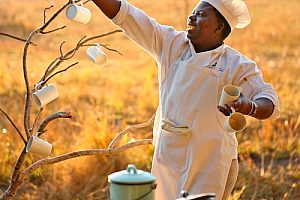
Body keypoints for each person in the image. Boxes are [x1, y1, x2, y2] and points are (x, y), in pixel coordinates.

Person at [91, 0, 280, 199]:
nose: (192, 17)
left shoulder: (236, 65)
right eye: (193, 13)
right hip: (169, 155)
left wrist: (249, 107)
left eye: (201, 15)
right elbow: (128, 16)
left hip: (211, 161)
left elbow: (269, 101)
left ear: (219, 27)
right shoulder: (171, 44)